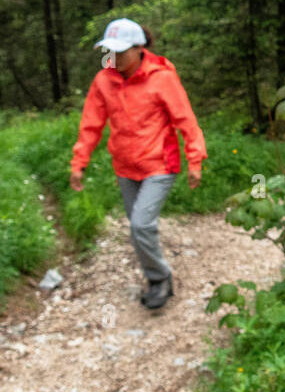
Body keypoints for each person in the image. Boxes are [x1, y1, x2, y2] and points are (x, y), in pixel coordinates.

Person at [69, 18, 207, 310]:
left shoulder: (162, 78)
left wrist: (195, 159)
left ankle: (160, 279)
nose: (114, 57)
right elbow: (91, 125)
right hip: (125, 167)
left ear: (138, 48)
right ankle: (155, 274)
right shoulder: (104, 80)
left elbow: (186, 120)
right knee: (137, 227)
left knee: (141, 226)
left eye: (121, 52)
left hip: (160, 163)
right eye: (110, 51)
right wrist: (79, 162)